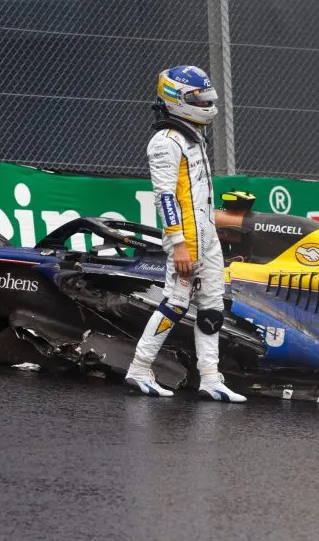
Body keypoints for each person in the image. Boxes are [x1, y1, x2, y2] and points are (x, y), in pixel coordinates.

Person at [123, 65, 247, 403]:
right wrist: (178, 244)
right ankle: (139, 367)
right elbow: (164, 197)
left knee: (211, 307)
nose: (206, 103)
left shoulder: (192, 135)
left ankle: (210, 377)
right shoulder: (165, 142)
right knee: (176, 303)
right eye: (198, 98)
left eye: (207, 96)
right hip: (187, 239)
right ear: (177, 99)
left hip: (206, 235)